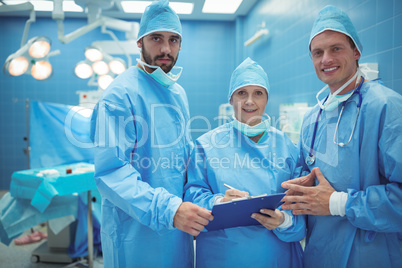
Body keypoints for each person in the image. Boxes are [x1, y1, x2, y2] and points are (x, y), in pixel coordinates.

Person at [90, 0, 212, 266]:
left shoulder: (177, 93)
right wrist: (168, 209)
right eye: (156, 38)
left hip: (176, 229)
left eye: (173, 40)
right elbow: (112, 173)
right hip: (135, 233)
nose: (166, 49)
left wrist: (217, 188)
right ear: (140, 42)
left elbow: (183, 156)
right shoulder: (120, 95)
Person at [281, 5, 402, 268]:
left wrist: (339, 203)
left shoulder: (387, 108)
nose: (326, 59)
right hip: (320, 254)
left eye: (336, 48)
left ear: (356, 52)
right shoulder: (313, 117)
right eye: (318, 52)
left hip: (374, 255)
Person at [184, 58, 305, 268]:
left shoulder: (287, 147)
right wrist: (221, 202)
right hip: (223, 255)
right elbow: (193, 196)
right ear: (230, 99)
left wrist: (283, 221)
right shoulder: (206, 146)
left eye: (258, 93)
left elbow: (301, 204)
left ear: (267, 99)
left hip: (276, 255)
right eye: (242, 93)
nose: (250, 101)